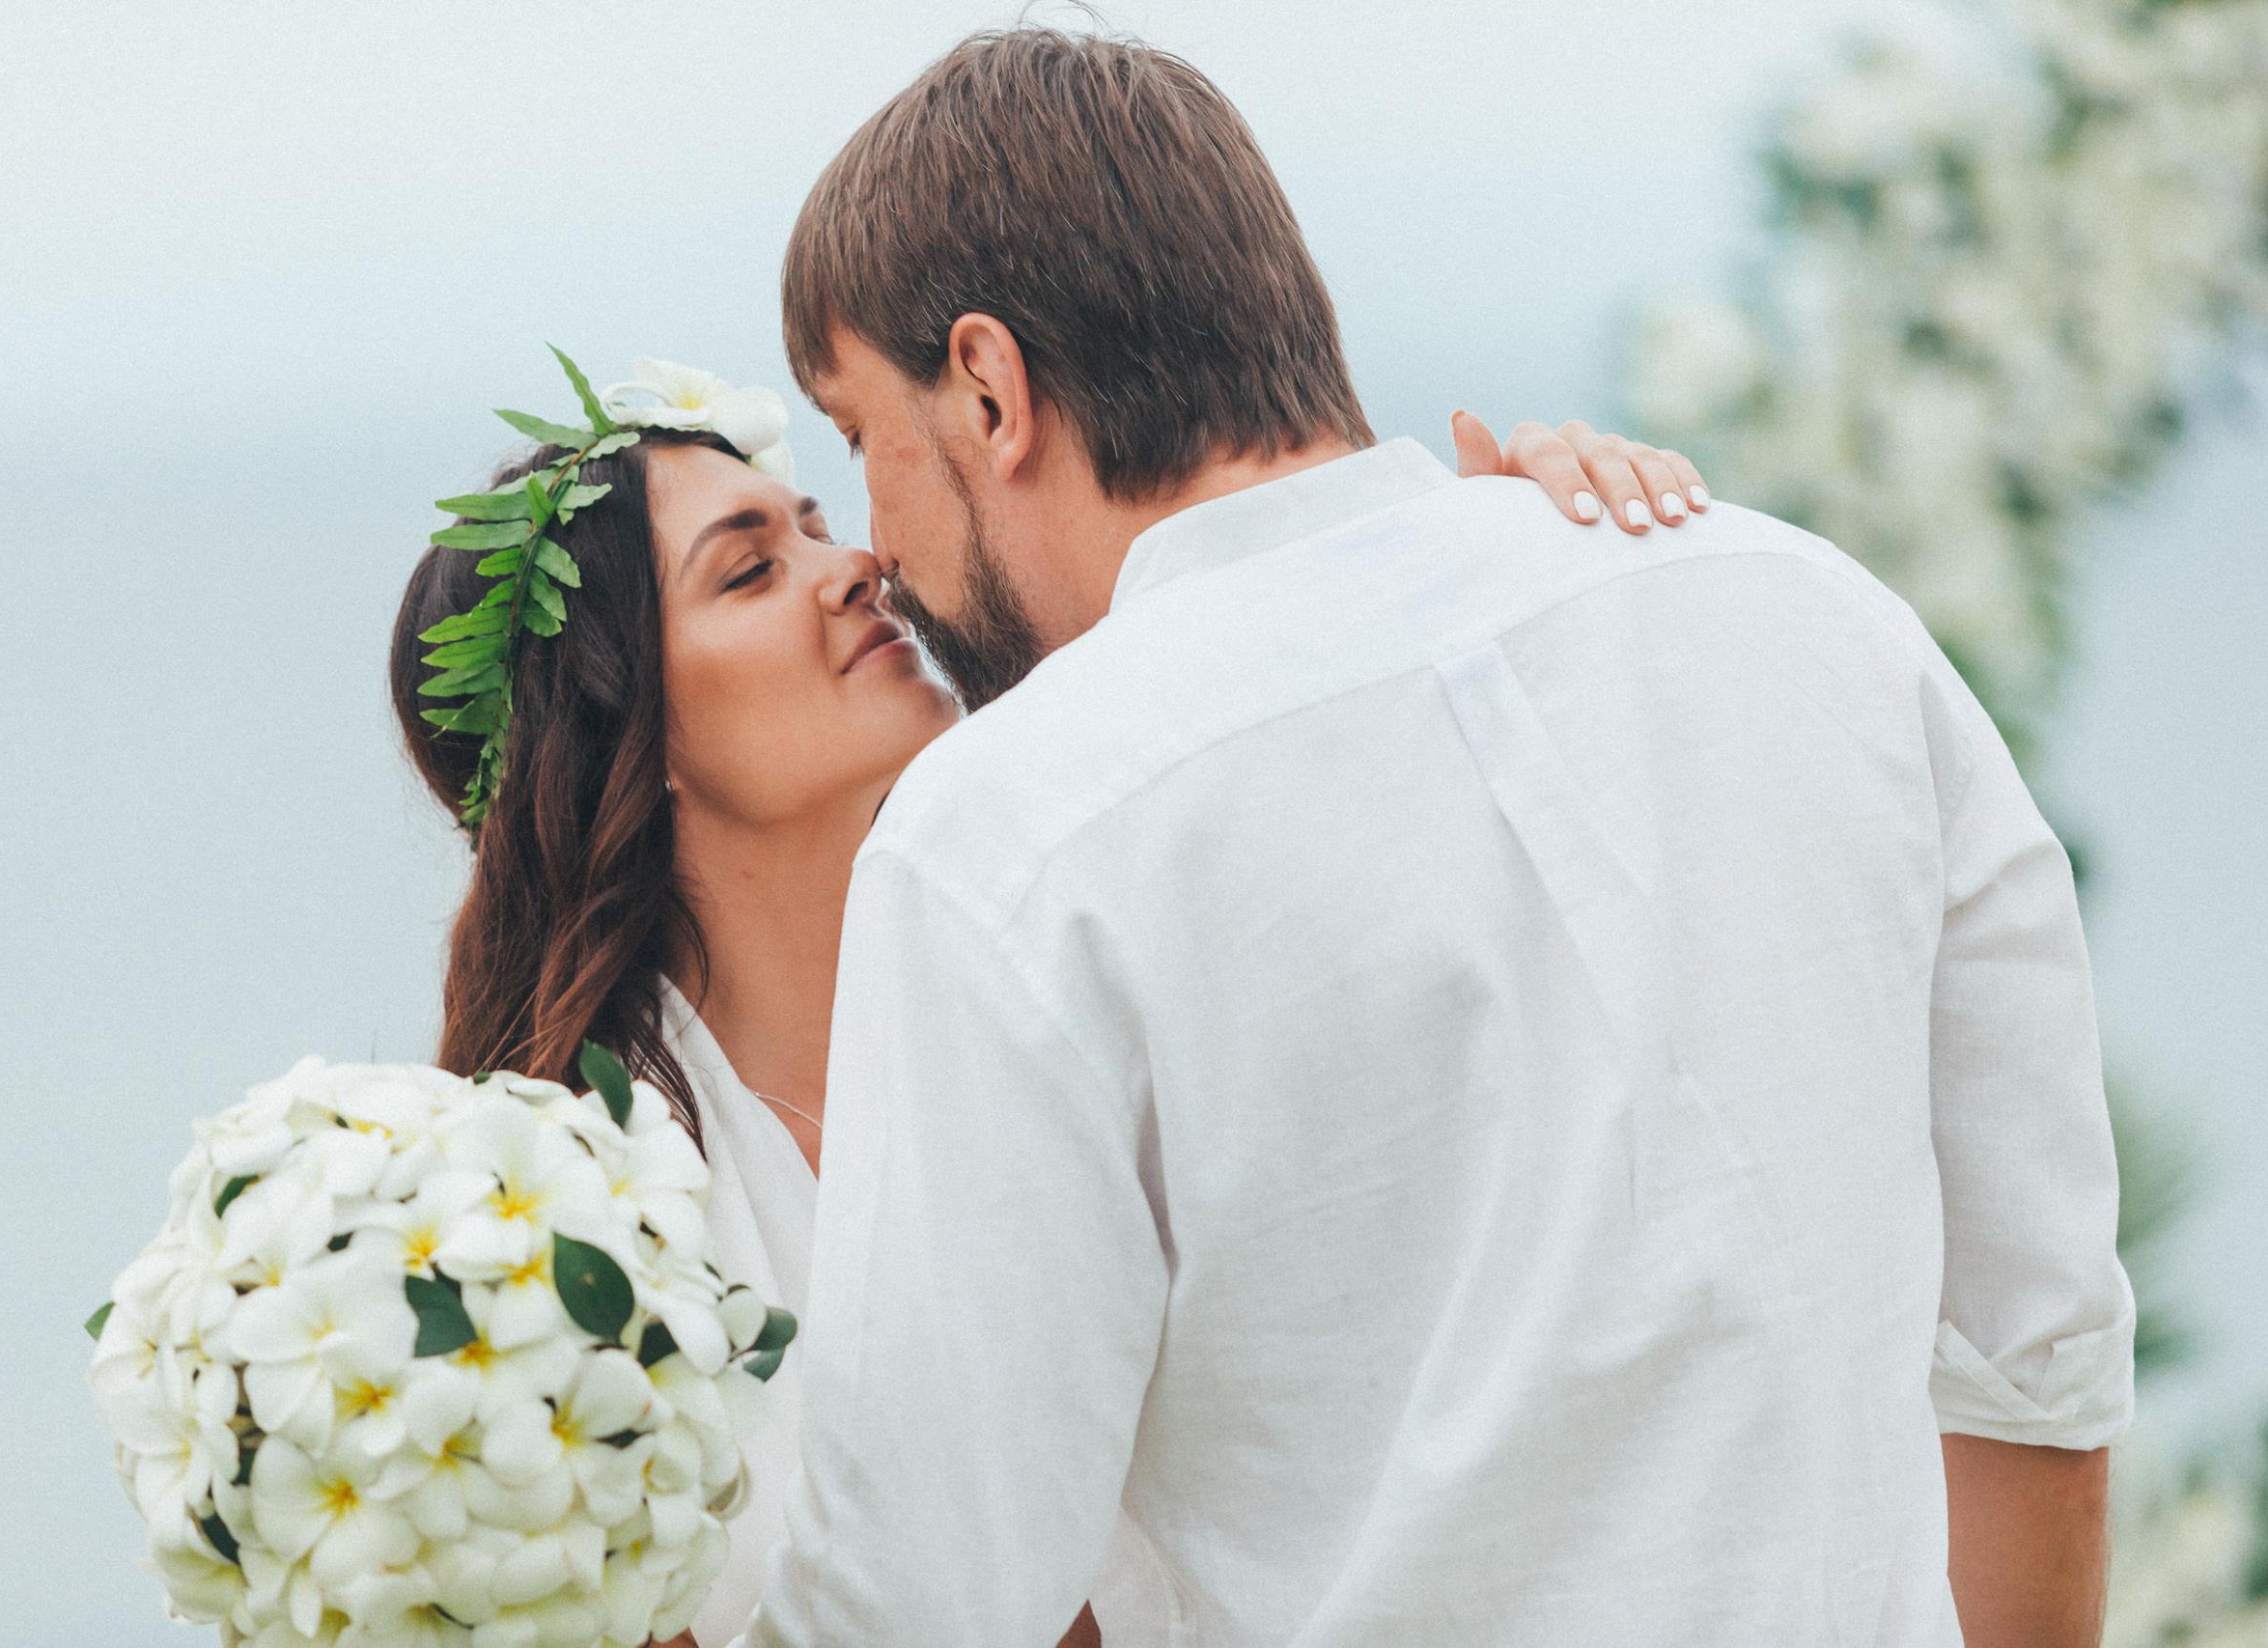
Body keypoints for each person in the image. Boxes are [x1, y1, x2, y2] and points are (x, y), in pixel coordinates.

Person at [742, 27, 2135, 1648]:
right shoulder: (1814, 614)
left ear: (989, 387)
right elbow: (2039, 1377)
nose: (881, 550)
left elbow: (927, 1597)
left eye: (860, 440)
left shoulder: (1009, 837)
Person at [390, 365, 1696, 1644]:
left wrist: (1535, 547)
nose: (854, 568)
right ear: (619, 734)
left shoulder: (1093, 954)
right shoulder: (563, 1229)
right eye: (749, 571)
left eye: (820, 527)